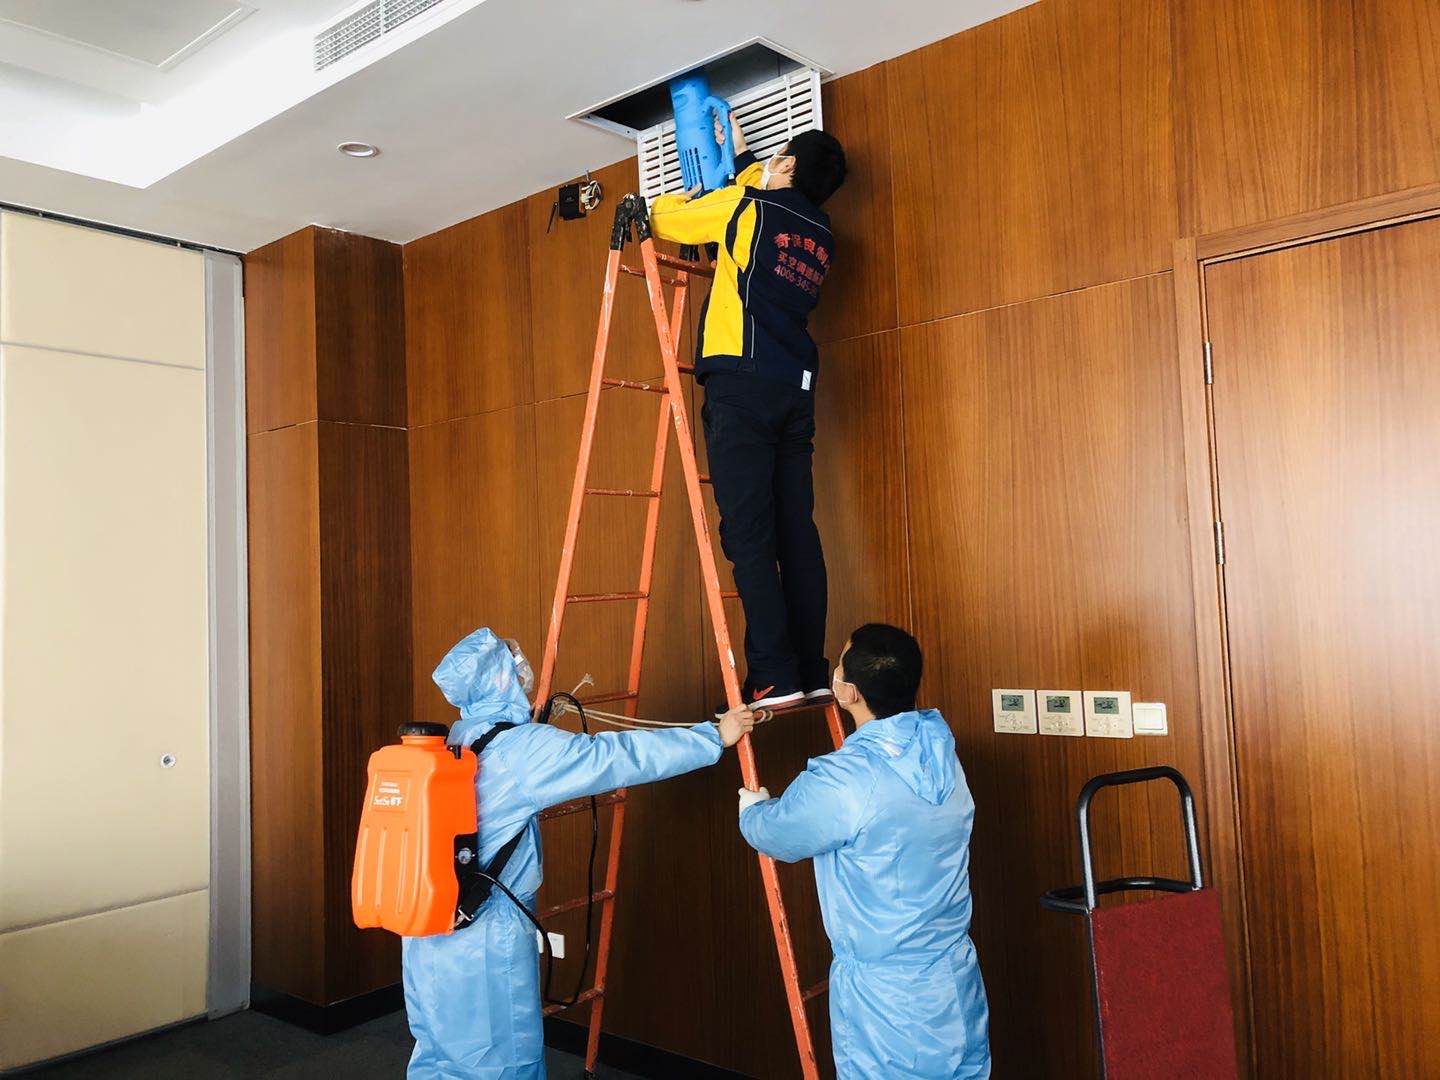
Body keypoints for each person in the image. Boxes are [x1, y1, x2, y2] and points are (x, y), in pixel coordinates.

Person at [402, 627, 755, 1079]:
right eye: (513, 662)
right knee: (502, 1058)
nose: (523, 670)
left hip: (428, 931)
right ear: (500, 677)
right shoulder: (520, 749)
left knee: (439, 1052)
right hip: (486, 937)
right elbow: (615, 756)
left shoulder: (456, 740)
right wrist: (712, 737)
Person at [649, 117, 847, 714]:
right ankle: (808, 670)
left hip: (741, 384)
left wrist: (674, 198)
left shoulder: (747, 208)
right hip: (794, 388)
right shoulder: (822, 233)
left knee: (750, 535)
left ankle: (772, 675)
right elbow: (756, 222)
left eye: (778, 157)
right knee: (797, 531)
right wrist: (745, 164)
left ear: (787, 166)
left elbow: (668, 221)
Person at [736, 623, 991, 1078]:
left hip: (886, 1002)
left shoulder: (847, 776)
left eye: (838, 664)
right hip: (953, 978)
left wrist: (753, 809)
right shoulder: (939, 746)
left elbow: (776, 834)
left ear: (848, 692)